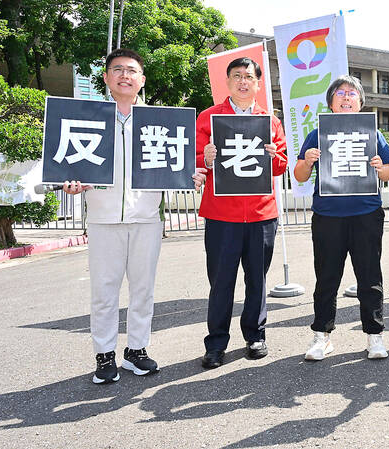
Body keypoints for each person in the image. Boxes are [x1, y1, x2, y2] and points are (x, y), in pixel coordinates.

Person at [64, 48, 206, 384]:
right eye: (117, 70)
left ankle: (137, 350)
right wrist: (70, 183)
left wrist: (190, 176)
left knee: (143, 290)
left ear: (142, 80)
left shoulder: (160, 124)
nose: (125, 76)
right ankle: (104, 354)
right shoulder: (88, 120)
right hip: (103, 220)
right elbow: (70, 166)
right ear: (106, 78)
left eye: (131, 71)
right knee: (104, 291)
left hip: (146, 219)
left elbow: (175, 167)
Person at [295, 75, 389, 361]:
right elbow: (299, 175)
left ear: (360, 102)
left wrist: (380, 167)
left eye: (352, 93)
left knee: (369, 277)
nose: (346, 97)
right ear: (331, 102)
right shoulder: (317, 134)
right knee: (326, 278)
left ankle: (374, 336)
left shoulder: (373, 134)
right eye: (340, 93)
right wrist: (308, 161)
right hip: (328, 216)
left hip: (366, 214)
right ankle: (322, 336)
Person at [196, 57, 287, 368]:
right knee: (221, 281)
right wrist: (206, 160)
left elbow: (281, 164)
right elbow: (194, 159)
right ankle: (216, 343)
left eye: (249, 76)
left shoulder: (270, 121)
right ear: (228, 81)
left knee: (257, 280)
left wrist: (275, 157)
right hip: (222, 215)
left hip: (261, 214)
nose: (243, 81)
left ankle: (255, 335)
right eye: (237, 76)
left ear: (258, 84)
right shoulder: (209, 118)